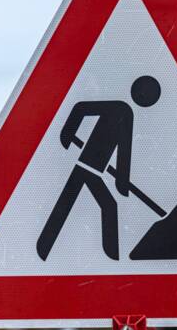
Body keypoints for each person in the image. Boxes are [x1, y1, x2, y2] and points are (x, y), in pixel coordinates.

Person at [37, 75, 161, 261]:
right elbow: (81, 108)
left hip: (93, 171)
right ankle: (112, 259)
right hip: (86, 167)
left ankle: (43, 248)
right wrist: (67, 133)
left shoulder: (126, 113)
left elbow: (123, 152)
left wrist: (122, 182)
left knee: (71, 204)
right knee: (102, 206)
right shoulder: (120, 108)